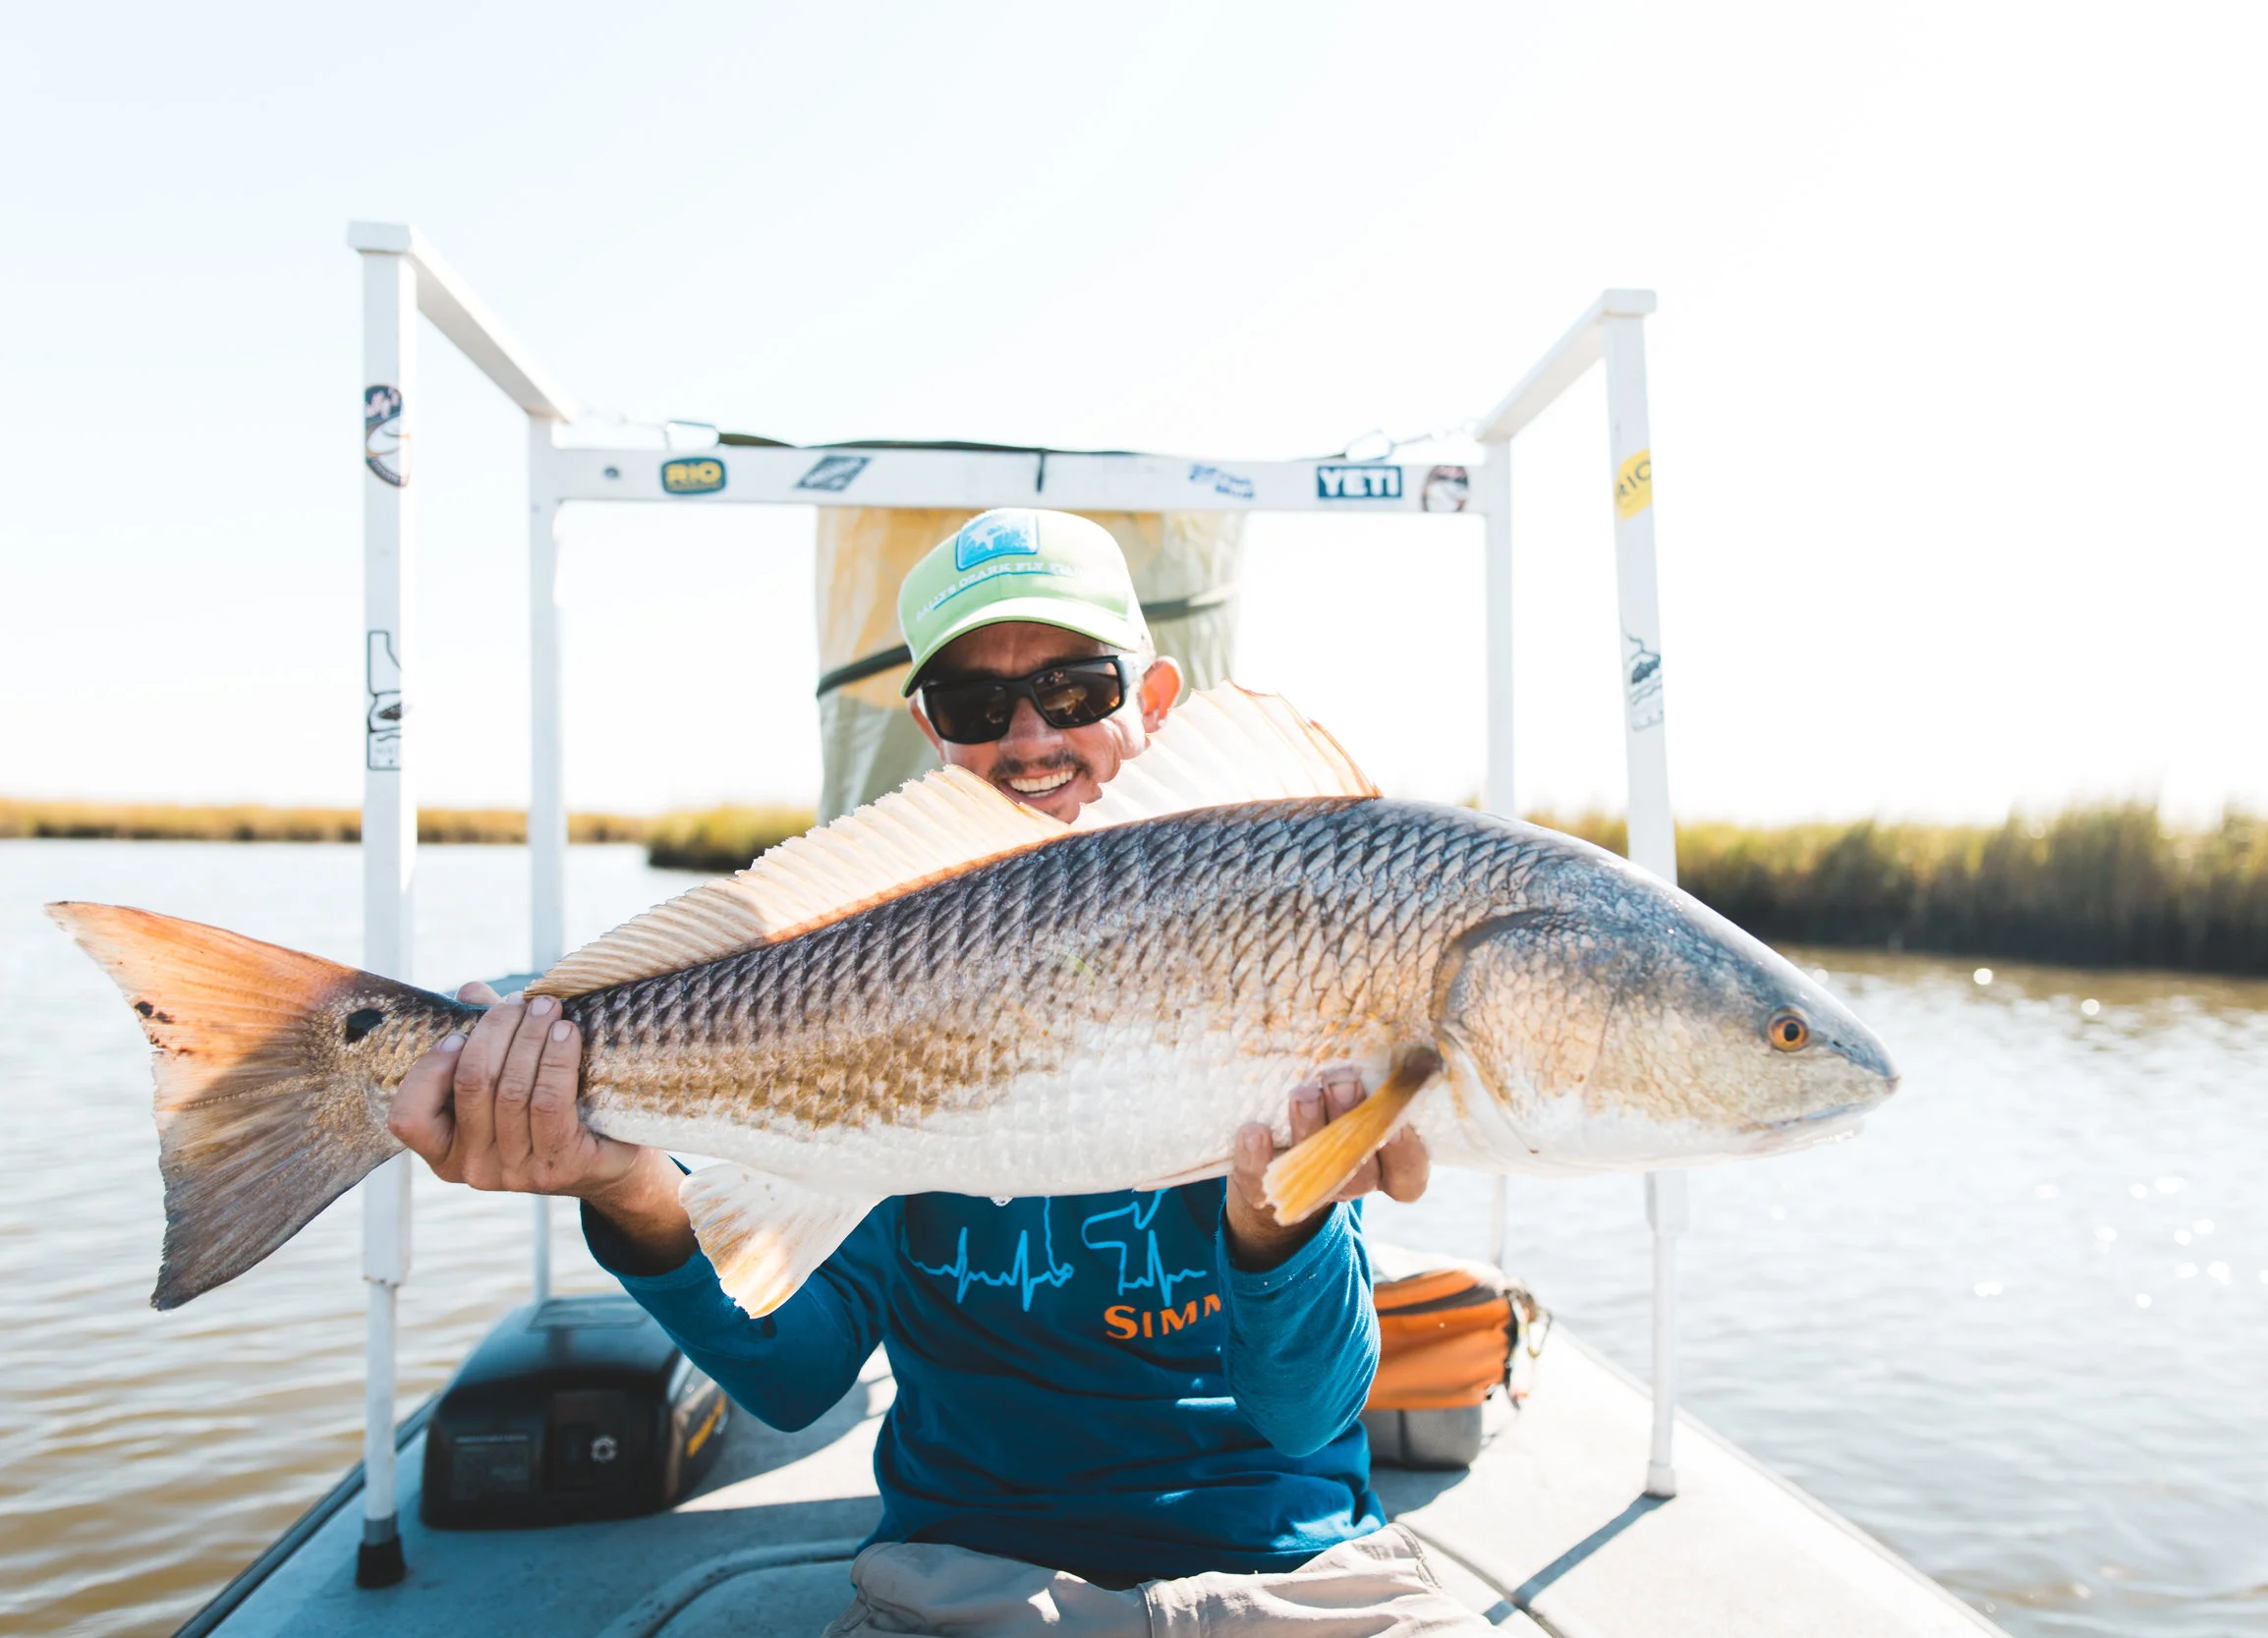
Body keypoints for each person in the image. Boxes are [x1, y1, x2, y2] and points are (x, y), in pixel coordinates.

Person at [388, 509, 1490, 1635]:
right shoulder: (870, 983)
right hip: (974, 1576)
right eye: (977, 704)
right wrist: (623, 1187)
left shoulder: (1291, 950)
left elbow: (1304, 1415)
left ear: (1152, 703)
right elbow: (791, 1373)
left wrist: (1279, 1227)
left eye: (1074, 690)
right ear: (932, 730)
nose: (1029, 736)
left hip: (1295, 1570)